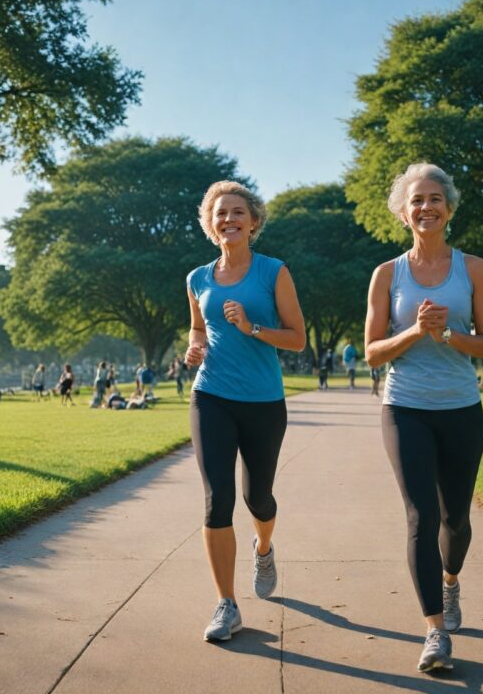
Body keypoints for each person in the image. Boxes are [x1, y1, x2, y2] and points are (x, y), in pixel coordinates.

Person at [365, 163, 483, 673]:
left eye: (435, 199)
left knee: (455, 520)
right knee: (420, 516)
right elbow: (374, 353)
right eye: (416, 200)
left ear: (449, 209)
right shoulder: (387, 275)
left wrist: (447, 337)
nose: (426, 207)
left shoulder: (475, 269)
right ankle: (434, 632)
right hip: (404, 408)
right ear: (403, 212)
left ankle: (450, 580)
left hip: (462, 409)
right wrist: (416, 333)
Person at [185, 180, 306, 643]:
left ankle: (264, 545)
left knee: (259, 498)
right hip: (211, 396)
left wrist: (252, 326)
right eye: (220, 214)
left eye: (238, 212)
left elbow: (296, 338)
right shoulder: (197, 278)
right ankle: (226, 605)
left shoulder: (274, 272)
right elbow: (197, 330)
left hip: (263, 402)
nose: (229, 220)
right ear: (210, 225)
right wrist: (194, 350)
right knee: (218, 499)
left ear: (253, 222)